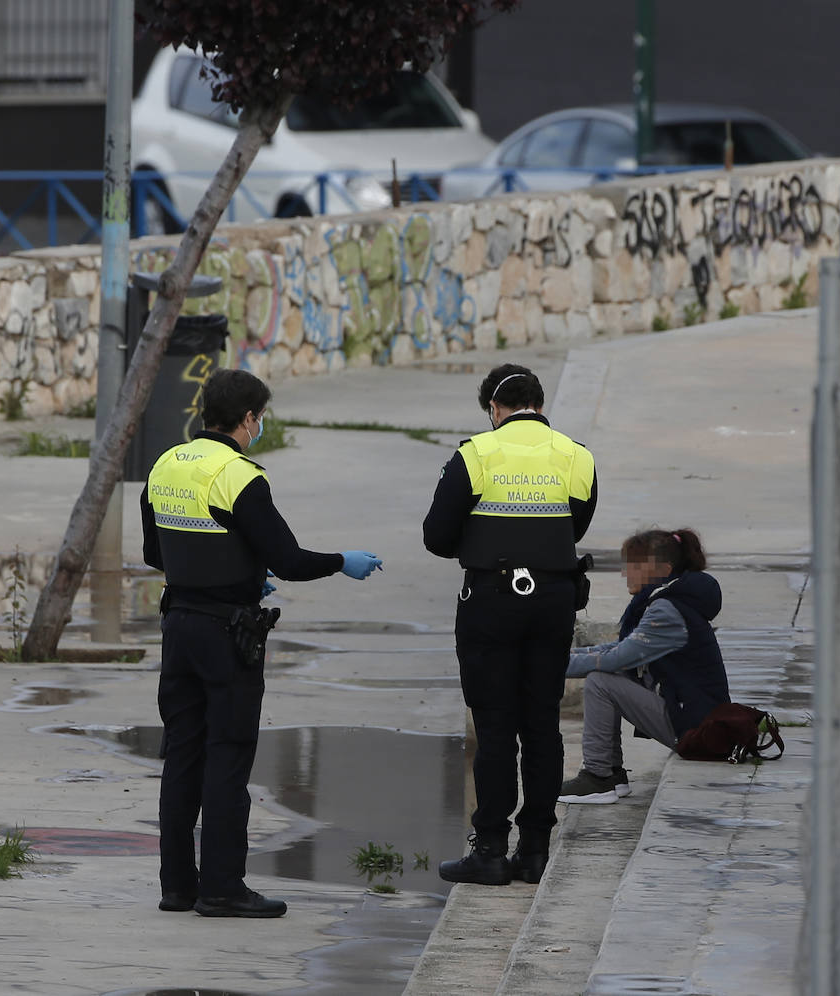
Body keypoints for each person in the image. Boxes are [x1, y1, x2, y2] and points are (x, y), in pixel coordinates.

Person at [141, 368, 382, 918]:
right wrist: (342, 562)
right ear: (248, 419)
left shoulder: (165, 465)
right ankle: (223, 887)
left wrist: (234, 568)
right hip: (228, 634)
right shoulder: (239, 475)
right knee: (226, 758)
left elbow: (157, 554)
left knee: (182, 756)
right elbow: (290, 560)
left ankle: (178, 886)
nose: (259, 427)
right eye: (259, 418)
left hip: (178, 625)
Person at [423, 363, 597, 886]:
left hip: (491, 598)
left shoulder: (475, 455)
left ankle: (491, 850)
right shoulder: (576, 455)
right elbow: (575, 524)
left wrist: (481, 542)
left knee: (495, 725)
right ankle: (536, 850)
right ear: (540, 406)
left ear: (493, 410)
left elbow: (436, 535)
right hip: (554, 599)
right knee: (542, 722)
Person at [557, 527, 729, 804]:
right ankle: (610, 774)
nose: (626, 573)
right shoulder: (666, 602)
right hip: (691, 715)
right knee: (605, 677)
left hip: (696, 728)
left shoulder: (666, 611)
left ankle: (599, 777)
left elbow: (616, 658)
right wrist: (554, 656)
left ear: (663, 568)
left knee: (602, 681)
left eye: (635, 565)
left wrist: (548, 665)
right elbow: (615, 649)